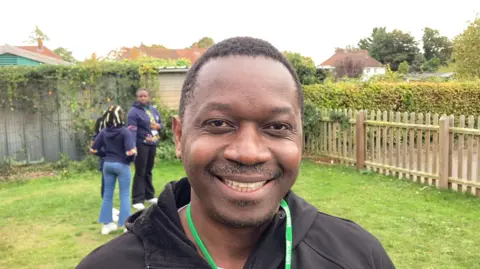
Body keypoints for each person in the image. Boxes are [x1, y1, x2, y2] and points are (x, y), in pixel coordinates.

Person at [76, 37, 395, 268]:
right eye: (218, 123)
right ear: (179, 135)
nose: (249, 153)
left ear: (300, 138)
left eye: (277, 127)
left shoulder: (358, 257)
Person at [89, 105, 137, 235]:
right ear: (120, 116)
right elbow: (130, 151)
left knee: (107, 196)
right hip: (122, 166)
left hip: (107, 165)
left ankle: (106, 225)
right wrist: (131, 160)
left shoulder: (104, 131)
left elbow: (93, 149)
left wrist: (104, 155)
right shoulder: (124, 131)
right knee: (124, 195)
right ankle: (125, 226)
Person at [126, 89, 163, 211]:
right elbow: (131, 130)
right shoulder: (133, 112)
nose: (143, 98)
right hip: (141, 144)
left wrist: (159, 126)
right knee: (140, 171)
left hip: (152, 143)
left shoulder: (153, 109)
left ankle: (149, 195)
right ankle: (137, 199)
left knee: (148, 170)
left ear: (148, 97)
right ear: (137, 98)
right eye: (140, 96)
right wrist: (132, 146)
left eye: (145, 96)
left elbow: (160, 123)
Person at [92, 111, 120, 222]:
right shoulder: (100, 123)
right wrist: (103, 153)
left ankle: (110, 208)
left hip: (116, 158)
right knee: (106, 186)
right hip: (106, 159)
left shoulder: (118, 124)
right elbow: (95, 142)